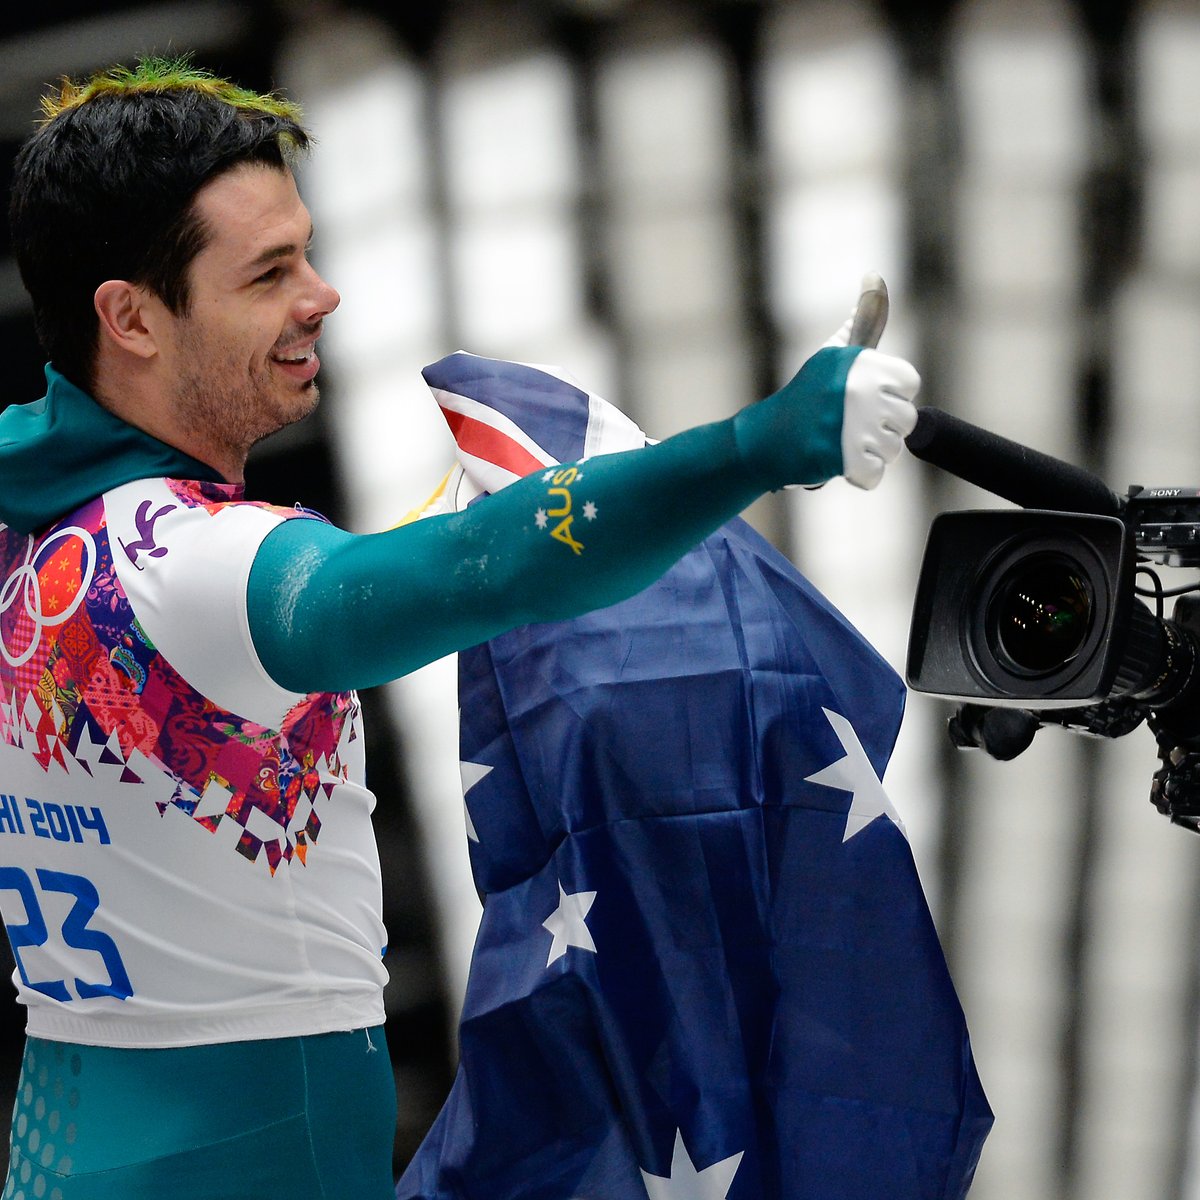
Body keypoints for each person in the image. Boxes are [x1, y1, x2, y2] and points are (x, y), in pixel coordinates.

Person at [0, 57, 918, 1200]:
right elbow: (479, 569)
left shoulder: (33, 525)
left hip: (66, 1150)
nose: (321, 295)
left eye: (308, 253)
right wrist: (759, 444)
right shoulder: (188, 564)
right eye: (270, 272)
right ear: (130, 317)